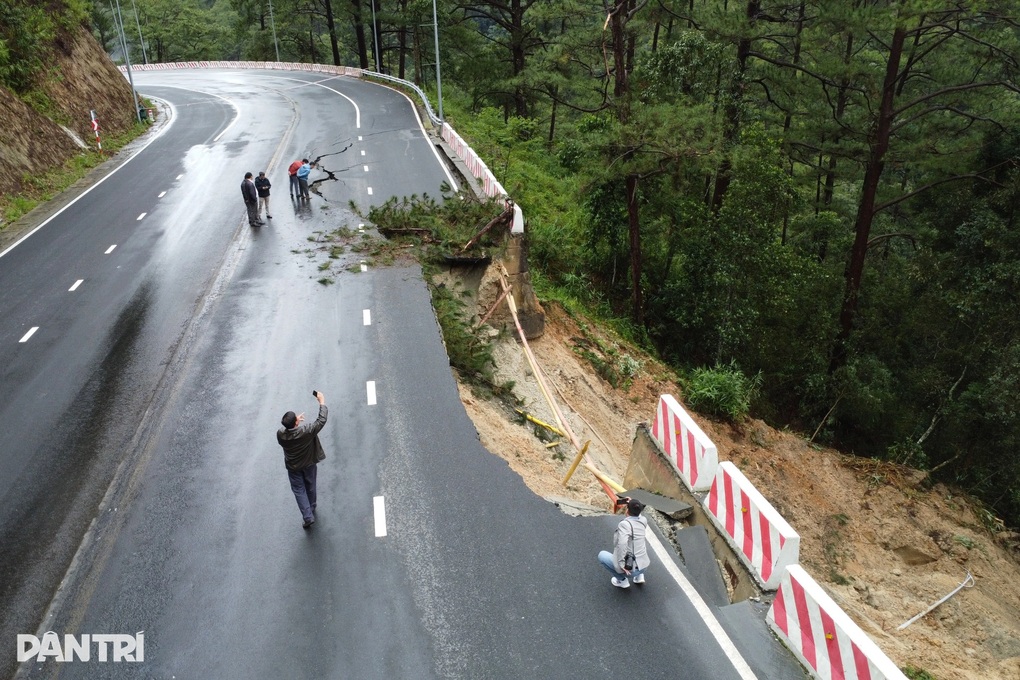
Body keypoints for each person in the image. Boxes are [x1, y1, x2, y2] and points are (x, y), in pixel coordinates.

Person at [277, 391, 328, 528]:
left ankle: (307, 516)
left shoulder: (281, 435)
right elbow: (321, 420)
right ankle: (311, 507)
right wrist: (321, 402)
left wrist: (294, 423)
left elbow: (287, 431)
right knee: (310, 485)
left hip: (293, 468)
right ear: (296, 422)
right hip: (309, 464)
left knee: (299, 490)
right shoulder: (306, 431)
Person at [597, 497, 650, 588]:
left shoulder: (625, 524)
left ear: (627, 510)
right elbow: (638, 514)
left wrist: (621, 565)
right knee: (638, 546)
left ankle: (622, 581)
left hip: (630, 569)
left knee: (602, 555)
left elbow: (622, 544)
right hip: (644, 565)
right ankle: (639, 577)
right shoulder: (643, 520)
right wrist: (633, 504)